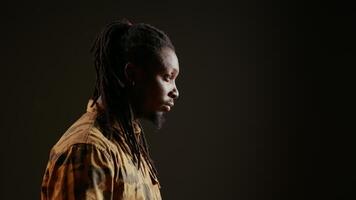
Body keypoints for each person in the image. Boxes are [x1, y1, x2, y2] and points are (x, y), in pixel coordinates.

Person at [41, 19, 180, 200]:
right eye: (167, 77)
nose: (175, 92)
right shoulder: (89, 149)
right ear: (131, 74)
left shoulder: (127, 146)